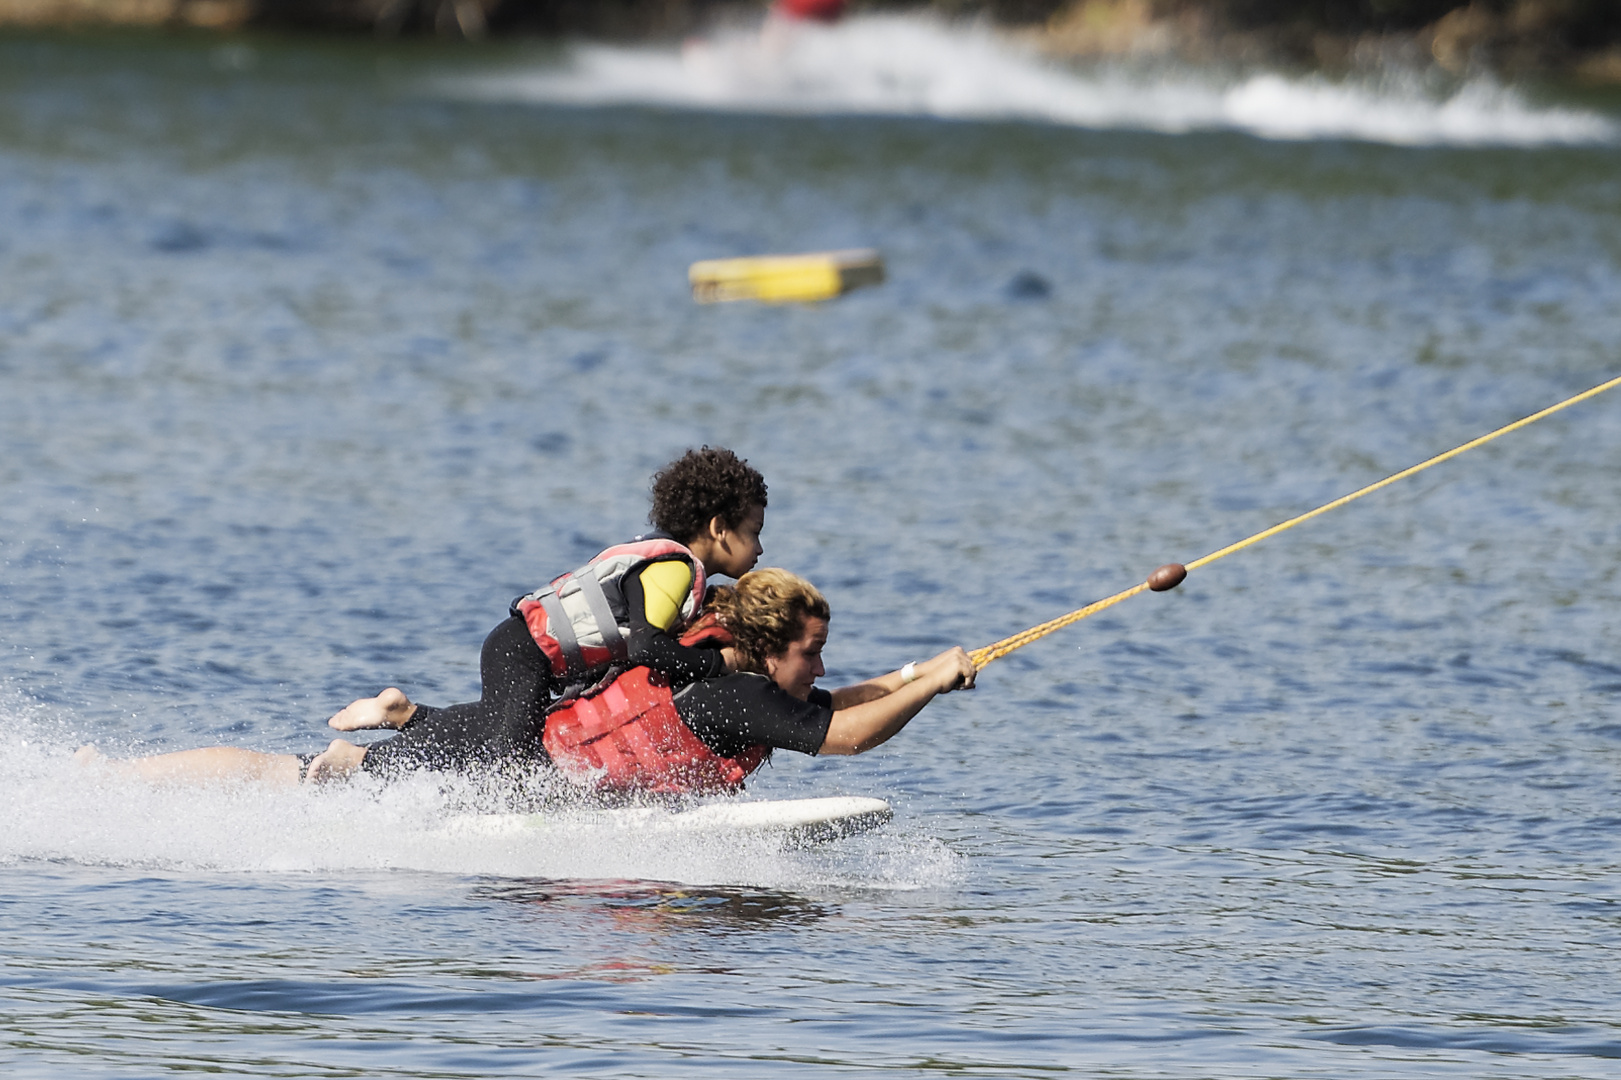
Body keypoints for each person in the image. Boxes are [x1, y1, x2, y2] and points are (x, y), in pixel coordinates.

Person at [76, 569, 976, 793]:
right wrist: (927, 688)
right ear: (771, 648)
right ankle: (108, 782)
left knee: (322, 772)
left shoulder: (746, 680)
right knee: (304, 777)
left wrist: (919, 671)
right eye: (812, 650)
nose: (820, 669)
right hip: (507, 752)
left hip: (528, 731)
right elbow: (843, 733)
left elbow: (829, 705)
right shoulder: (737, 694)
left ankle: (402, 711)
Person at [314, 446, 767, 779]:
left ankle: (404, 714)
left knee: (492, 728)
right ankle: (360, 761)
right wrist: (716, 664)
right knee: (509, 758)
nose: (760, 549)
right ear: (719, 528)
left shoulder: (668, 562)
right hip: (523, 652)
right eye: (754, 532)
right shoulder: (673, 569)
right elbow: (650, 645)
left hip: (523, 651)